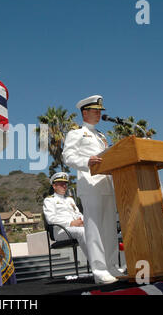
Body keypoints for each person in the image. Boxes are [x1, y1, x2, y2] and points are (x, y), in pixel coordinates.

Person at [62, 95, 121, 284]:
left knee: (110, 228)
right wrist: (86, 162)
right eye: (95, 111)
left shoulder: (101, 136)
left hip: (107, 184)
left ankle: (112, 266)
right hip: (90, 183)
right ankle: (100, 270)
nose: (99, 114)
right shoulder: (76, 133)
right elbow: (68, 157)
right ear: (84, 113)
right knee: (94, 228)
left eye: (100, 111)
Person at [43, 172, 89, 259]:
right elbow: (51, 219)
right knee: (82, 232)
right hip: (60, 231)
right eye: (61, 184)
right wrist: (71, 223)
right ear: (54, 186)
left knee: (94, 229)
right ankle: (95, 264)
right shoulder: (49, 200)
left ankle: (103, 260)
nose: (64, 186)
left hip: (75, 228)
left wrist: (82, 221)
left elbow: (78, 214)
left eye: (65, 184)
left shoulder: (69, 200)